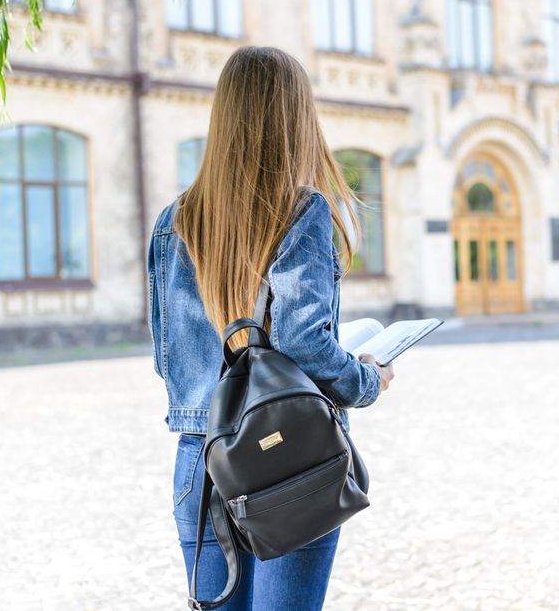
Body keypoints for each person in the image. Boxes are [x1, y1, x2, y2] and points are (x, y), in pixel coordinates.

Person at [146, 45, 396, 611]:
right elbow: (303, 340)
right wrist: (365, 379)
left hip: (200, 461)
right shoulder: (301, 210)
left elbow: (167, 358)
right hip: (287, 457)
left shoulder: (172, 222)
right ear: (295, 118)